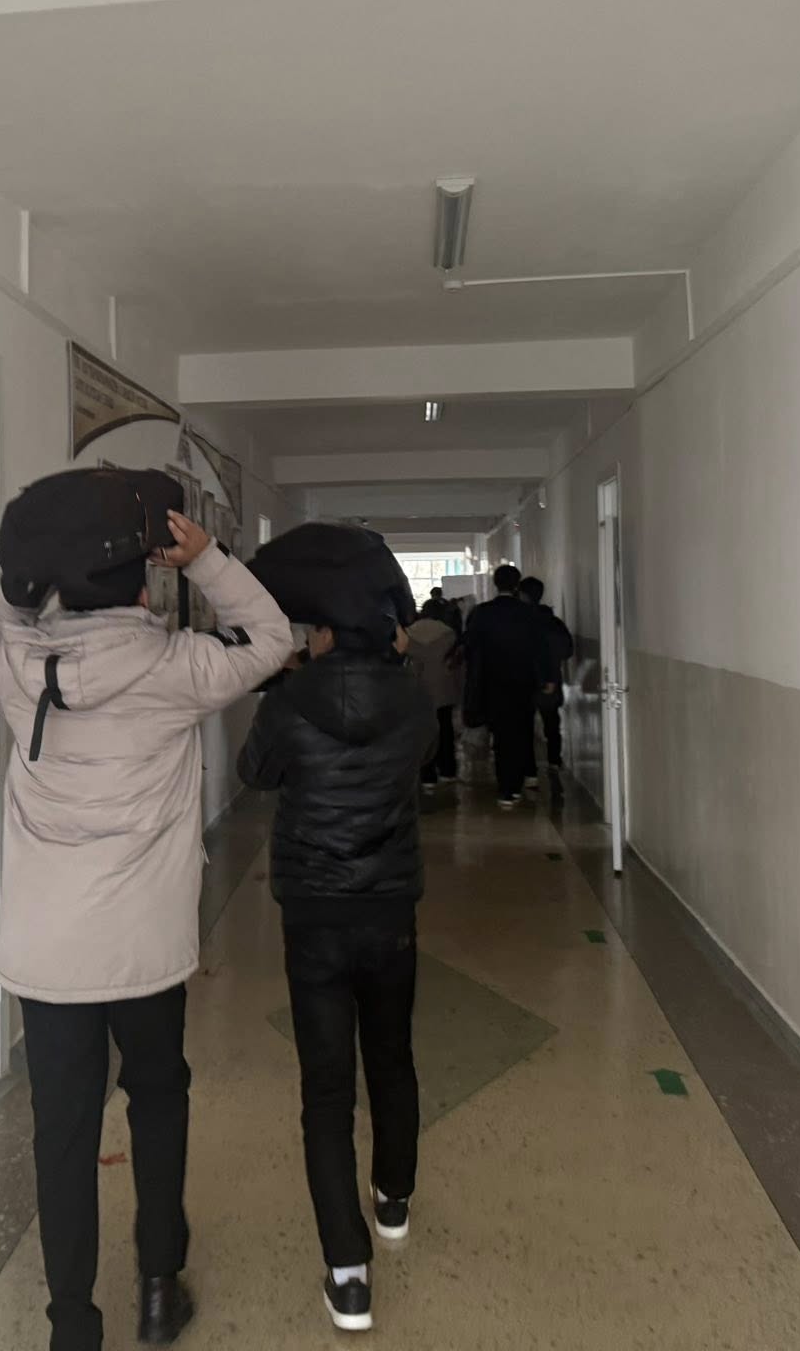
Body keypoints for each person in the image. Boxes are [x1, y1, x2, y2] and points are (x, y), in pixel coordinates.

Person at [0, 507, 293, 1351]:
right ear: (145, 588)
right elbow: (271, 639)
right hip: (144, 945)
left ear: (58, 592)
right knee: (157, 1097)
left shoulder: (14, 665)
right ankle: (157, 1286)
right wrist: (207, 559)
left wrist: (17, 591)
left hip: (48, 952)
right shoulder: (178, 665)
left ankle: (72, 1323)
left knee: (63, 1132)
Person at [238, 607, 434, 1334]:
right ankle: (394, 1198)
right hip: (388, 906)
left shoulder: (290, 700)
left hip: (314, 911)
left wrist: (291, 686)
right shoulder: (411, 697)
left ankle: (348, 1275)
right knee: (392, 1056)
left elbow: (254, 774)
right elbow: (423, 755)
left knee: (326, 1088)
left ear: (323, 635)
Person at [463, 565, 542, 809]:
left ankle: (506, 788)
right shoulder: (528, 613)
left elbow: (470, 648)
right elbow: (539, 650)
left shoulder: (482, 613)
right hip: (523, 684)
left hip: (492, 684)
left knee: (501, 735)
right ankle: (517, 783)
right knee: (521, 732)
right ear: (516, 585)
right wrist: (545, 679)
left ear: (495, 584)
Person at [518, 577, 576, 791]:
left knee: (524, 727)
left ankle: (530, 772)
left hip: (524, 681)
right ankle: (554, 761)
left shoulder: (519, 621)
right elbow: (567, 650)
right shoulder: (553, 622)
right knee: (551, 723)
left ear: (522, 594)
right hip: (551, 681)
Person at [405, 605, 463, 791]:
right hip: (444, 688)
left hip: (419, 688)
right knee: (445, 729)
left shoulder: (408, 633)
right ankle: (448, 770)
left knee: (424, 734)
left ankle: (427, 775)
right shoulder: (449, 633)